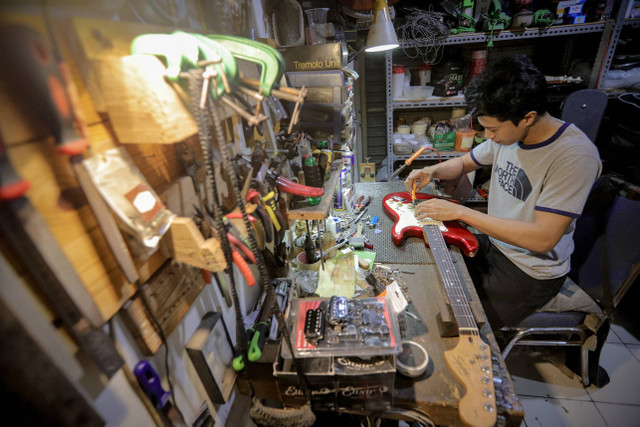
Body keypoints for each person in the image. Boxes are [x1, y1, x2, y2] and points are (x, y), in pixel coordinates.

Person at [404, 54, 602, 330]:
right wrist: (431, 172)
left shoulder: (573, 156)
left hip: (530, 270)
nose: (488, 137)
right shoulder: (508, 136)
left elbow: (543, 239)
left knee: (461, 325)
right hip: (495, 244)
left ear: (528, 117)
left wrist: (461, 212)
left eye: (492, 129)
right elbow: (464, 162)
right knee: (431, 277)